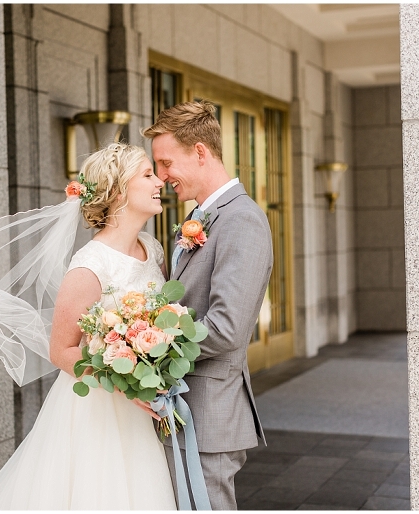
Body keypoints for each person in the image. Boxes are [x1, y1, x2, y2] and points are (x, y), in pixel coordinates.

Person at [0, 143, 177, 509]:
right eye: (147, 175)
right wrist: (127, 385)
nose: (159, 182)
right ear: (116, 192)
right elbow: (61, 350)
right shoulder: (90, 264)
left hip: (144, 405)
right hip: (102, 407)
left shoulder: (150, 247)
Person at [142, 101, 273, 510]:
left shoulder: (241, 220)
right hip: (184, 409)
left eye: (166, 163)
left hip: (208, 416)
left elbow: (226, 328)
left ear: (200, 152)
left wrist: (145, 345)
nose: (162, 177)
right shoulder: (203, 218)